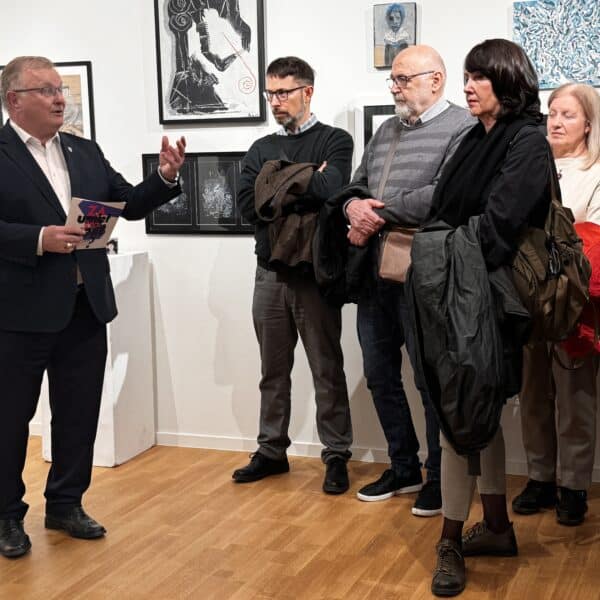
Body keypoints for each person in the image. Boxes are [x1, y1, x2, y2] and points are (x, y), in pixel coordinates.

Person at [0, 56, 186, 559]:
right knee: (9, 419)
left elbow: (128, 202)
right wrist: (37, 238)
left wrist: (165, 176)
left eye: (60, 89)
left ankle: (65, 505)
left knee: (78, 415)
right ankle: (6, 515)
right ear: (14, 99)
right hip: (17, 313)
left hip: (85, 305)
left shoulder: (83, 150)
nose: (59, 98)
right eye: (45, 90)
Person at [422, 40, 552, 596]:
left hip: (490, 301)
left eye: (479, 77)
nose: (468, 86)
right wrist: (445, 237)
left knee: (459, 416)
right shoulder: (477, 138)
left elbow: (498, 226)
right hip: (464, 294)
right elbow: (445, 210)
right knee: (480, 414)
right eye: (467, 76)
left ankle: (449, 539)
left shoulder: (527, 140)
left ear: (508, 80)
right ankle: (496, 526)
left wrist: (438, 244)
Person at [344, 45, 474, 515]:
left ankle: (440, 477)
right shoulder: (386, 130)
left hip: (425, 275)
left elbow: (446, 195)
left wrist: (378, 215)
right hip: (373, 274)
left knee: (429, 379)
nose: (395, 88)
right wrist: (352, 207)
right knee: (380, 375)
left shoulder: (462, 128)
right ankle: (403, 467)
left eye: (403, 79)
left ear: (435, 80)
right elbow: (358, 182)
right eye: (393, 80)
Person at [233, 57, 354, 494]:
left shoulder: (335, 140)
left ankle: (336, 454)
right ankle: (271, 451)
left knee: (327, 368)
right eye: (270, 93)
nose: (275, 101)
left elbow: (331, 189)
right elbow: (248, 206)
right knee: (272, 370)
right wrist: (304, 180)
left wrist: (276, 184)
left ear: (308, 92)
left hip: (315, 273)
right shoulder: (260, 148)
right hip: (269, 273)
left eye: (283, 92)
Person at [513, 83, 600, 526]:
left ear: (588, 124)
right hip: (528, 300)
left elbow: (593, 240)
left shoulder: (596, 172)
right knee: (532, 393)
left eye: (568, 114)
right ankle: (540, 477)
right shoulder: (530, 166)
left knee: (574, 396)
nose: (556, 122)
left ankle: (574, 484)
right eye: (552, 113)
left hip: (574, 305)